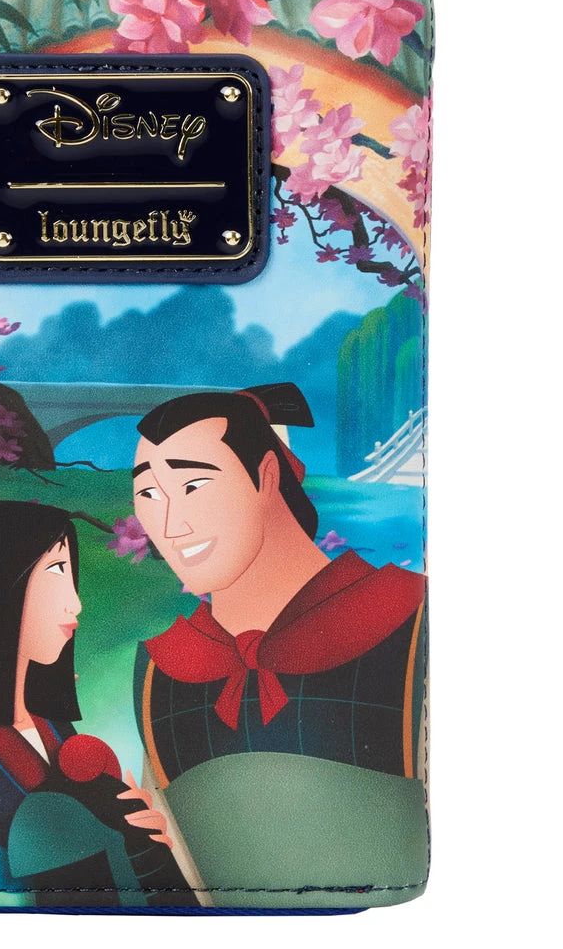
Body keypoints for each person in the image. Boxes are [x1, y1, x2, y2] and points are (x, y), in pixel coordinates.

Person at [130, 384, 428, 906]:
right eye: (149, 495)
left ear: (267, 475)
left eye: (194, 485)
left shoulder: (410, 617)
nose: (171, 526)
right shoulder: (162, 667)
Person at [0, 500, 196, 909]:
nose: (75, 603)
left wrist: (139, 840)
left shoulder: (48, 722)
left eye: (70, 573)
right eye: (55, 570)